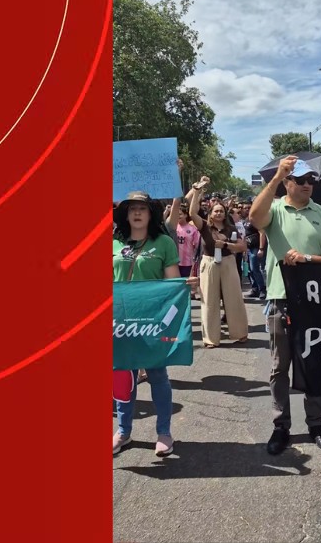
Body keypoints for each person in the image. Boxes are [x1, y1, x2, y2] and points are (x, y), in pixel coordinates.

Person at [249, 156, 321, 455]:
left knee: (314, 365)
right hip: (281, 299)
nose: (307, 185)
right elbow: (254, 217)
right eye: (300, 180)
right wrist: (276, 177)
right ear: (287, 183)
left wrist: (306, 259)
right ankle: (281, 426)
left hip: (316, 301)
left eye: (311, 181)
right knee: (280, 367)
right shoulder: (275, 208)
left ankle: (316, 423)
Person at [112, 191, 197, 456]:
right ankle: (123, 431)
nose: (137, 213)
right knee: (122, 375)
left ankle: (164, 433)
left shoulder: (163, 243)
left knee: (158, 375)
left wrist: (183, 286)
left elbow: (169, 283)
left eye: (142, 208)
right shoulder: (113, 242)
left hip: (151, 321)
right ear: (125, 214)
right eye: (132, 209)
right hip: (119, 321)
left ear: (151, 213)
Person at [188, 177, 249, 348]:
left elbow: (242, 247)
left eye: (221, 211)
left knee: (234, 298)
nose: (218, 214)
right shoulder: (204, 226)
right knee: (209, 300)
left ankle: (239, 333)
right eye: (215, 211)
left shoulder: (232, 228)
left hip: (228, 261)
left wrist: (226, 244)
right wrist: (197, 191)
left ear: (225, 213)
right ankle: (210, 339)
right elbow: (192, 213)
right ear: (211, 213)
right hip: (209, 263)